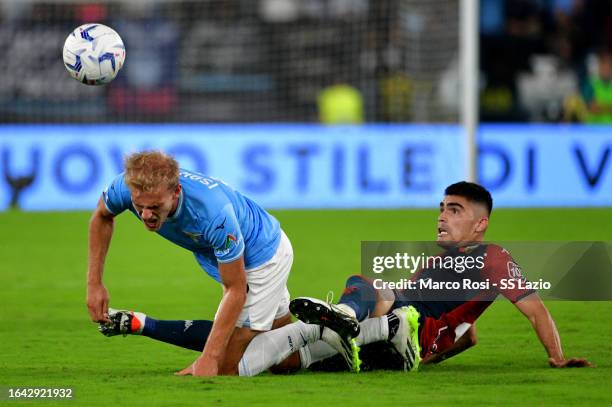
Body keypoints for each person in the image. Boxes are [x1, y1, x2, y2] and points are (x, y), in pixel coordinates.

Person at [290, 181, 593, 371]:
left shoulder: (493, 258)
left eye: (455, 210)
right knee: (290, 363)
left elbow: (536, 310)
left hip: (403, 327)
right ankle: (342, 324)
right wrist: (431, 355)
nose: (442, 216)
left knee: (369, 285)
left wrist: (557, 356)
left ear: (480, 225)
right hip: (392, 341)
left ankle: (343, 315)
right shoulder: (437, 262)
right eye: (442, 208)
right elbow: (467, 336)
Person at [87, 150, 317, 376]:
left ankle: (316, 328)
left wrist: (209, 358)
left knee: (226, 367)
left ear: (176, 192)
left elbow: (236, 289)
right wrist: (94, 283)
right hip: (223, 257)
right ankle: (336, 330)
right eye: (140, 207)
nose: (146, 215)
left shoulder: (212, 214)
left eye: (155, 207)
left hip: (261, 258)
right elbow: (102, 216)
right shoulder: (127, 187)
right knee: (285, 363)